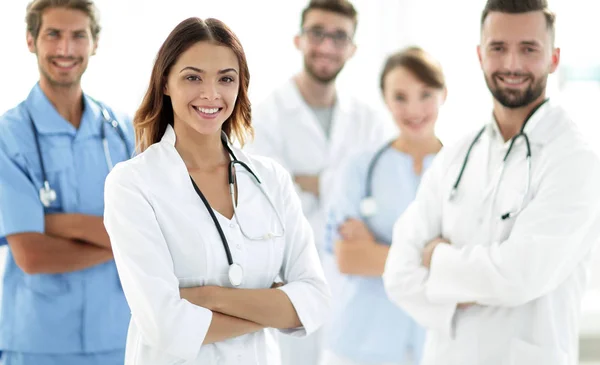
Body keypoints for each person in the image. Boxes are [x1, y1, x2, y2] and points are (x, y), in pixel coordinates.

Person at [102, 17, 331, 365]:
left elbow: (314, 300)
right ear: (165, 82)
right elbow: (165, 326)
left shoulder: (271, 180)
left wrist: (208, 297)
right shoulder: (133, 183)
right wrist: (273, 307)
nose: (211, 94)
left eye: (226, 78)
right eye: (193, 77)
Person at [383, 1, 600, 365]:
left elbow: (520, 275)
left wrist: (437, 259)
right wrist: (484, 281)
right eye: (498, 48)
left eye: (529, 49)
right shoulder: (455, 155)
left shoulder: (574, 159)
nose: (512, 64)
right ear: (481, 55)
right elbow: (398, 273)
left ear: (554, 58)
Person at [244, 1, 393, 363]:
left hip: (355, 285)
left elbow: (383, 195)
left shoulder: (369, 121)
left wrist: (312, 182)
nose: (327, 46)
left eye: (339, 36)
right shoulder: (266, 116)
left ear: (353, 48)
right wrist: (342, 185)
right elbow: (266, 203)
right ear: (299, 39)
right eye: (317, 33)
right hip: (288, 279)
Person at [0, 0, 134, 364]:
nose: (65, 49)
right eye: (53, 34)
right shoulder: (8, 136)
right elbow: (31, 254)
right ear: (31, 40)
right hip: (38, 342)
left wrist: (53, 223)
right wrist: (120, 247)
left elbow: (154, 234)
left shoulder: (122, 131)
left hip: (120, 337)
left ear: (95, 42)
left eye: (78, 35)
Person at [321, 47, 445, 365]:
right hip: (361, 343)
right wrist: (432, 258)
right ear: (385, 98)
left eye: (425, 94)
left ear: (444, 93)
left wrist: (377, 251)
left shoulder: (461, 169)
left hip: (436, 343)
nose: (413, 109)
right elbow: (349, 258)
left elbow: (471, 261)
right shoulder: (359, 169)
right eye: (400, 96)